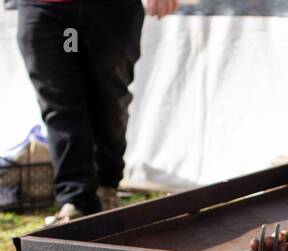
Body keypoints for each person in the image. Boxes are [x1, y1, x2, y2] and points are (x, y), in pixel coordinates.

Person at [18, 0, 178, 224]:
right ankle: (76, 201)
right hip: (48, 10)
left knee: (109, 102)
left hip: (109, 9)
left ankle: (105, 188)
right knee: (61, 105)